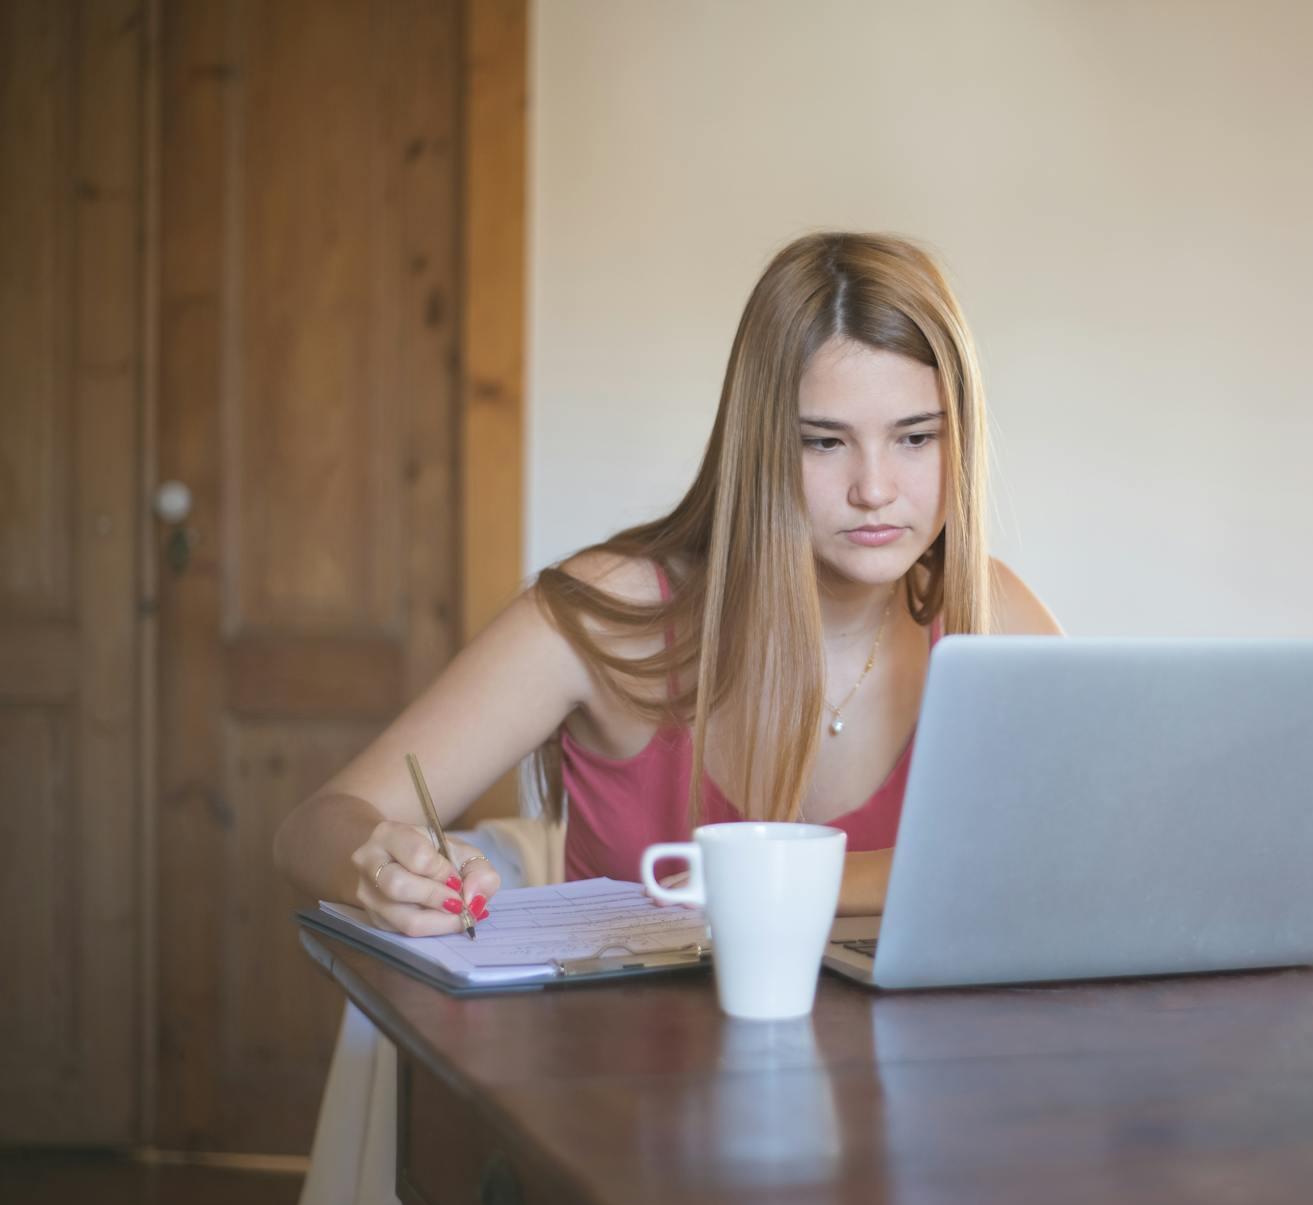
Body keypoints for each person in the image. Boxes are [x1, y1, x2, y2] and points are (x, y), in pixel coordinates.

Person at [273, 231, 1062, 929]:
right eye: (824, 444)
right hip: (618, 1088)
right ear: (757, 445)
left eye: (916, 438)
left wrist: (759, 883)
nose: (874, 488)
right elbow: (315, 826)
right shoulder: (608, 616)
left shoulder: (993, 617)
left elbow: (1107, 858)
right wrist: (380, 870)